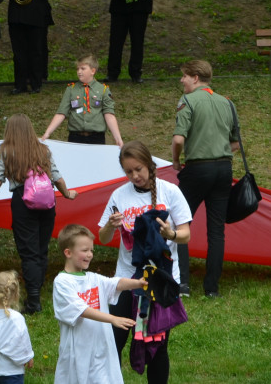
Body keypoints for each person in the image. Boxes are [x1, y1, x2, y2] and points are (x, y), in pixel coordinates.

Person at [98, 140, 192, 384]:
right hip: (127, 279)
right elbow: (102, 237)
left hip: (161, 280)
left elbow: (186, 234)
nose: (134, 176)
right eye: (129, 171)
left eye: (138, 169)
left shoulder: (170, 191)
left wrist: (170, 234)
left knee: (158, 345)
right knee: (115, 340)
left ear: (150, 165)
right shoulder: (119, 195)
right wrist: (110, 225)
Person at [0, 114, 77, 314]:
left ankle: (34, 301)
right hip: (47, 203)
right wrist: (67, 194)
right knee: (41, 248)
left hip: (23, 202)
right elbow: (57, 177)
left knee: (29, 253)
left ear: (9, 130)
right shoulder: (43, 150)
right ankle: (37, 290)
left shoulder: (5, 150)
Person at [171, 59, 239, 298]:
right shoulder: (227, 103)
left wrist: (176, 160)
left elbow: (179, 139)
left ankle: (183, 285)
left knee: (180, 224)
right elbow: (236, 142)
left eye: (184, 76)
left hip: (197, 169)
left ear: (195, 78)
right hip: (223, 169)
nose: (182, 80)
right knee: (216, 230)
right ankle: (212, 288)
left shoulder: (187, 101)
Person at [52, 224, 147, 384]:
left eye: (91, 250)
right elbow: (81, 310)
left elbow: (115, 283)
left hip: (101, 349)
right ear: (68, 252)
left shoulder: (92, 277)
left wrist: (139, 283)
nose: (89, 255)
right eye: (84, 250)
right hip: (78, 352)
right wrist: (112, 319)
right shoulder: (62, 282)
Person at [107, 0, 166, 83]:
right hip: (119, 6)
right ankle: (112, 73)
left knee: (137, 42)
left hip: (140, 7)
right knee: (115, 42)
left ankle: (135, 73)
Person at [41, 55, 123, 146]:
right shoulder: (71, 89)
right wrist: (47, 133)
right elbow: (61, 113)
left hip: (96, 138)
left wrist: (118, 138)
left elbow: (109, 115)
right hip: (75, 137)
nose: (79, 72)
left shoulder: (103, 90)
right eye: (78, 69)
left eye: (83, 69)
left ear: (93, 71)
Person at [0, 270, 34, 384]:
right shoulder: (16, 318)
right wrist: (27, 356)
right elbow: (22, 339)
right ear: (15, 295)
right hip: (14, 372)